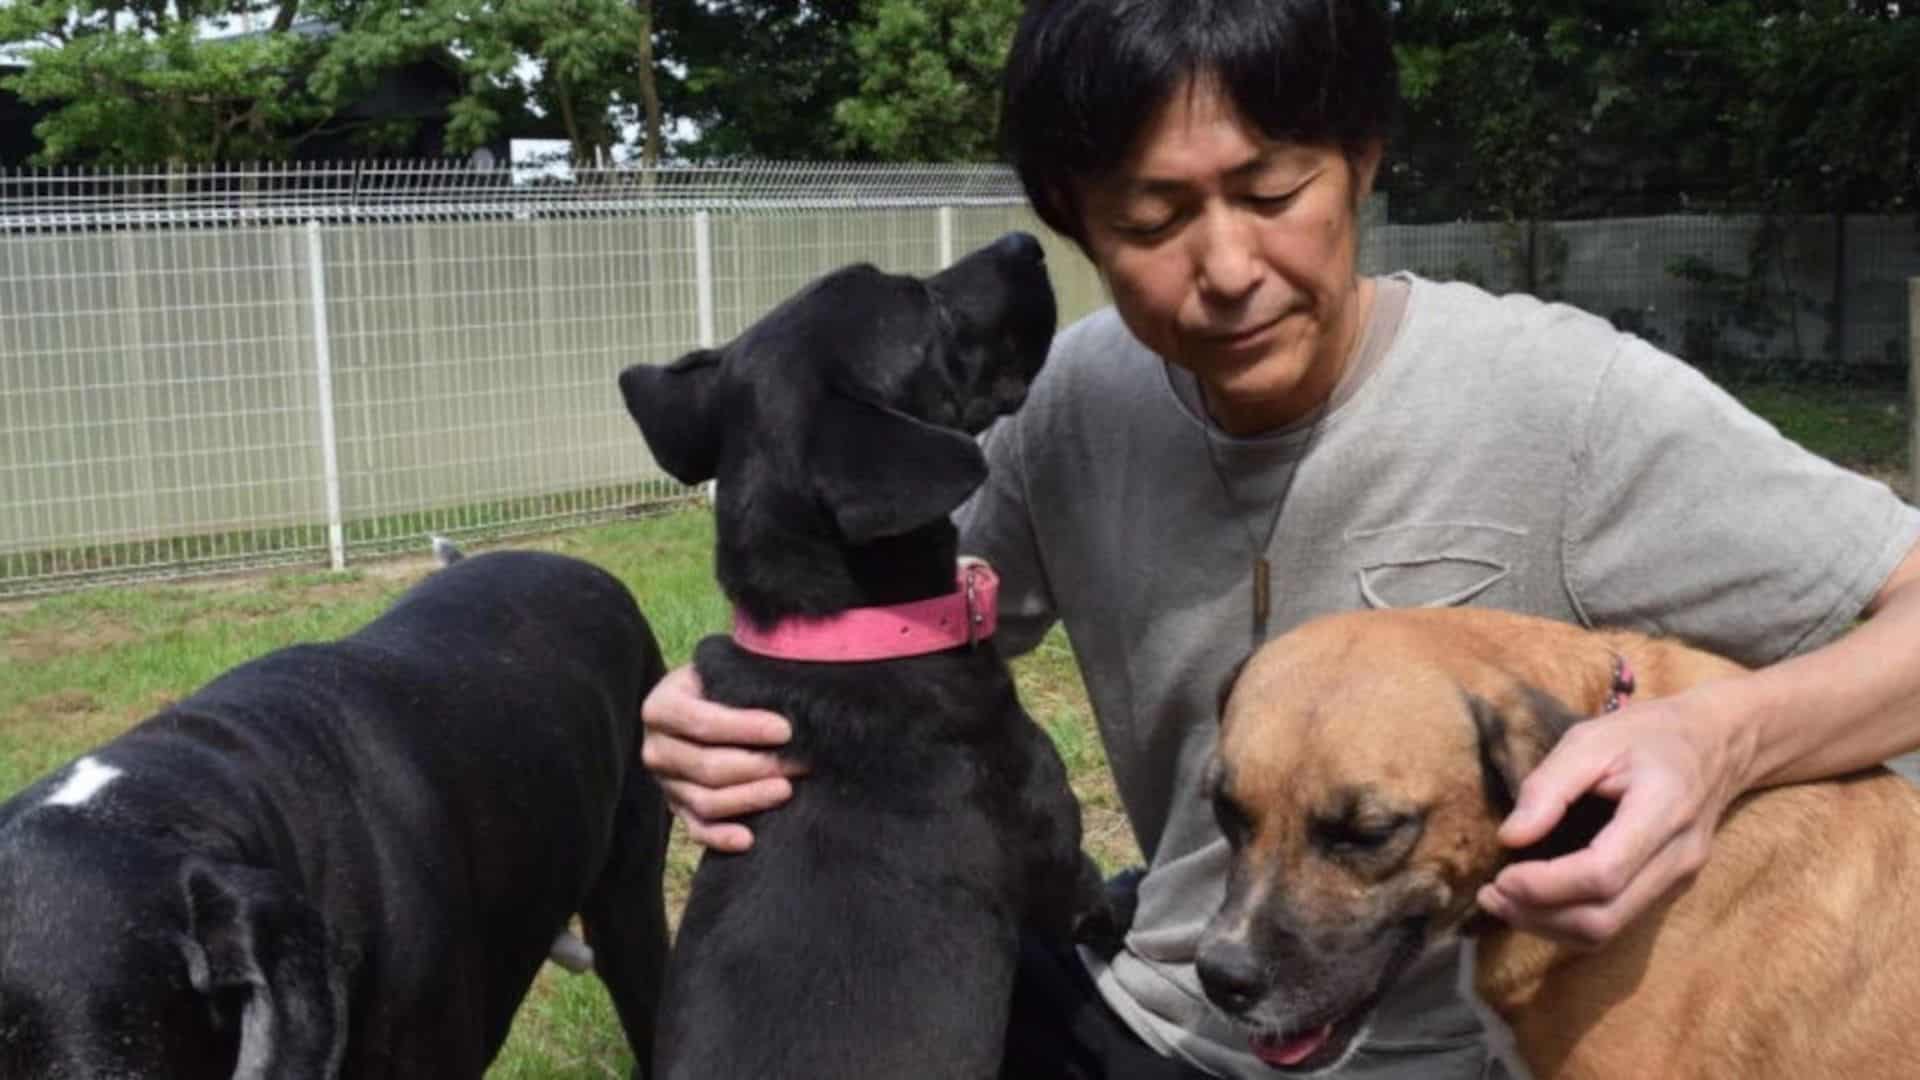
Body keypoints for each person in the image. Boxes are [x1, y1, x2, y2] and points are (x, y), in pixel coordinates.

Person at [636, 1, 1920, 1076]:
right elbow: (877, 628)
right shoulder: (1071, 404)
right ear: (1077, 222)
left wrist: (1723, 738)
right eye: (1150, 220)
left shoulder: (1568, 405)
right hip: (1158, 1011)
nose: (1228, 266)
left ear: (1362, 159)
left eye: (1271, 189)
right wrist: (722, 711)